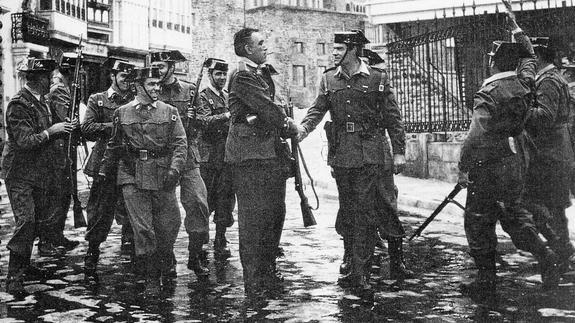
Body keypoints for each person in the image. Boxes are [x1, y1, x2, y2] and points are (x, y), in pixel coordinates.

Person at [297, 30, 411, 293]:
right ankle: (352, 260)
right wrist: (302, 130)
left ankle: (362, 272)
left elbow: (393, 118)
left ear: (353, 50)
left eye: (339, 49)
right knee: (348, 211)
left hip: (370, 154)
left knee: (366, 211)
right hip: (342, 155)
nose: (334, 53)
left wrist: (399, 151)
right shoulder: (328, 79)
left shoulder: (377, 78)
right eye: (334, 49)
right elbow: (317, 110)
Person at [457, 36, 563, 300]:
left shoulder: (489, 93)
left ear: (492, 62)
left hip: (488, 165)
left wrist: (463, 167)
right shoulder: (524, 84)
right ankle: (545, 254)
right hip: (514, 162)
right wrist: (523, 42)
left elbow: (475, 136)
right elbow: (528, 65)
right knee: (514, 215)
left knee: (477, 221)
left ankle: (486, 279)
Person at [99, 66, 187, 294]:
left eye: (158, 84)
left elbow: (180, 145)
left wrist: (174, 171)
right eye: (151, 84)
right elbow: (114, 145)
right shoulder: (122, 113)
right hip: (132, 174)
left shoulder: (170, 112)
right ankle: (150, 276)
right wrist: (103, 171)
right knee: (143, 228)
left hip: (162, 175)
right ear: (138, 86)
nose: (157, 88)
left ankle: (166, 257)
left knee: (169, 224)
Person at [226, 28, 300, 295]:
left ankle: (267, 270)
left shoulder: (259, 73)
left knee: (274, 214)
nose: (265, 47)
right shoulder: (243, 75)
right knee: (253, 219)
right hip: (249, 157)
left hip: (268, 155)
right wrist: (289, 124)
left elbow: (271, 107)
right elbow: (267, 108)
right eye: (260, 43)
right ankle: (254, 280)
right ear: (248, 49)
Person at [2, 58, 75, 295]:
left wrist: (65, 125)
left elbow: (53, 126)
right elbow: (24, 141)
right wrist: (51, 132)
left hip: (38, 173)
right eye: (47, 77)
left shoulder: (42, 102)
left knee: (38, 221)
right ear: (37, 79)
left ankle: (25, 265)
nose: (51, 81)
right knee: (26, 221)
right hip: (19, 173)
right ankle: (14, 277)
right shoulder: (18, 104)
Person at [513, 32, 575, 276]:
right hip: (552, 153)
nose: (523, 63)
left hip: (549, 156)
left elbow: (545, 117)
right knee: (551, 207)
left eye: (528, 58)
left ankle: (561, 253)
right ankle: (562, 252)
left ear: (537, 56)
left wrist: (520, 108)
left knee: (543, 206)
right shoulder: (550, 77)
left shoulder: (548, 81)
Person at [151, 50, 210, 279]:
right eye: (154, 65)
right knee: (165, 213)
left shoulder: (189, 90)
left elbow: (205, 123)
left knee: (198, 202)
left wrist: (196, 118)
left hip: (187, 155)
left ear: (172, 68)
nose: (158, 71)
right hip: (162, 157)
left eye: (162, 66)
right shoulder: (151, 90)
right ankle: (167, 259)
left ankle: (195, 255)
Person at [81, 58, 136, 282]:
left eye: (129, 77)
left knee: (133, 210)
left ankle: (132, 251)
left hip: (129, 164)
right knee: (99, 212)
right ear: (113, 77)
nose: (127, 81)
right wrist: (115, 126)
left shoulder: (135, 100)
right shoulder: (98, 100)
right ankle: (92, 253)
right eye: (123, 76)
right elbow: (87, 128)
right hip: (106, 164)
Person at [197, 58, 235, 260]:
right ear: (210, 75)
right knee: (206, 198)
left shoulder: (229, 96)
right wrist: (228, 116)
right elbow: (203, 122)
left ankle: (221, 237)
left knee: (225, 199)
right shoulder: (202, 97)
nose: (221, 78)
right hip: (209, 156)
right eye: (217, 74)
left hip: (227, 156)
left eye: (224, 74)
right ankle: (203, 237)